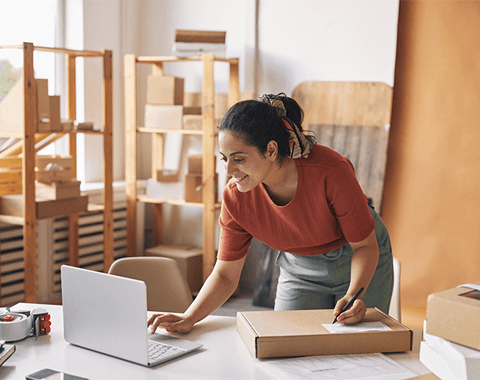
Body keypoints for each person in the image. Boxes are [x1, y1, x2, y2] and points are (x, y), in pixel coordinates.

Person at [148, 93, 394, 334]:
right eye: (224, 159)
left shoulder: (330, 170)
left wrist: (353, 294)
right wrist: (189, 317)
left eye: (239, 159)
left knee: (358, 347)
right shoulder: (236, 197)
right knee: (287, 346)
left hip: (357, 255)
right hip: (299, 267)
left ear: (272, 150)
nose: (229, 170)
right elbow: (225, 274)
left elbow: (365, 246)